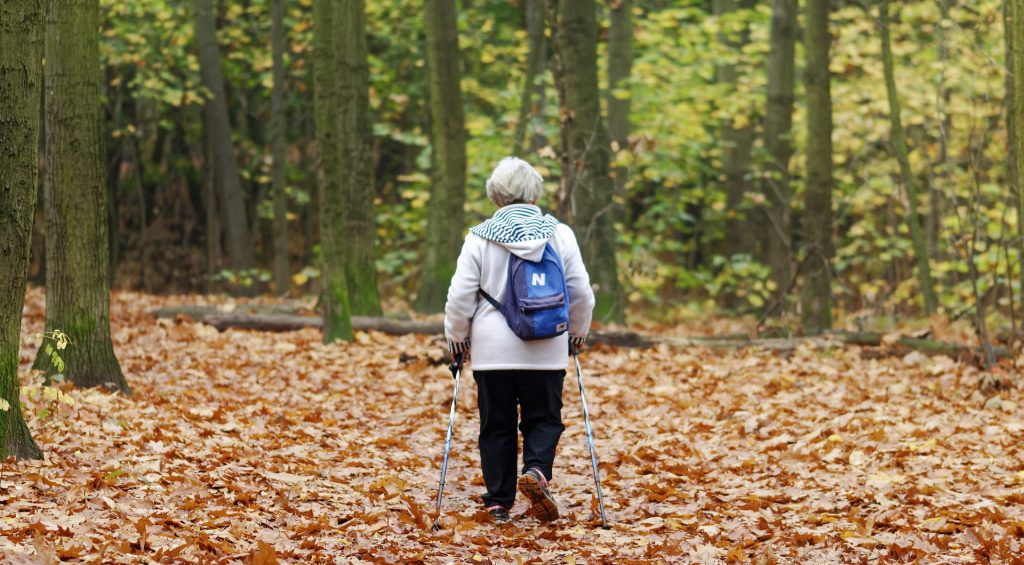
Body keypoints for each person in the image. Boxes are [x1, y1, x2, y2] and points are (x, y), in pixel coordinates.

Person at [444, 157, 596, 524]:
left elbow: (460, 296)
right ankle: (538, 471)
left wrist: (456, 339)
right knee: (544, 420)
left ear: (496, 196)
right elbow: (581, 294)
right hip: (546, 346)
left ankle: (498, 503)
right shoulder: (560, 234)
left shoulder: (480, 236)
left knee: (495, 426)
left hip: (493, 353)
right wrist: (576, 334)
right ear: (534, 193)